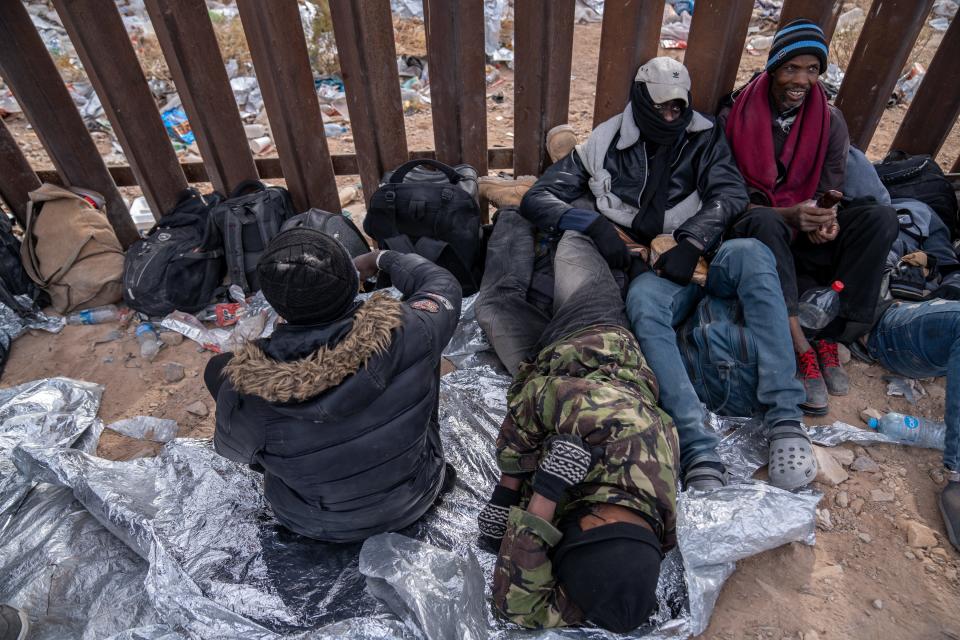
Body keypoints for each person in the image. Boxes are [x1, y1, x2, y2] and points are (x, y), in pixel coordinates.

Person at [478, 229, 680, 633]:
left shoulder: (618, 580)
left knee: (493, 306)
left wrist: (544, 502)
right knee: (572, 243)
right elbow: (530, 400)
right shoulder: (627, 434)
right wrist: (509, 488)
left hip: (542, 367)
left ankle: (514, 222)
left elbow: (517, 605)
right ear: (595, 524)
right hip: (592, 335)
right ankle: (576, 225)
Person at [205, 227, 462, 543]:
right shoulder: (411, 326)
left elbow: (234, 452)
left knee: (218, 369)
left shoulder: (245, 388)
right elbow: (441, 284)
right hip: (418, 494)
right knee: (423, 356)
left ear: (276, 308)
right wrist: (380, 257)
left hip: (317, 524)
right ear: (355, 283)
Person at [718, 18, 898, 415]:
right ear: (772, 69)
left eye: (812, 69)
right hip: (754, 228)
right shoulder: (734, 115)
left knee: (880, 218)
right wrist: (788, 215)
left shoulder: (829, 120)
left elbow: (830, 189)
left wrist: (825, 218)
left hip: (803, 231)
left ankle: (831, 336)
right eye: (791, 68)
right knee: (764, 223)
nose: (802, 79)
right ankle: (798, 342)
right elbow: (726, 197)